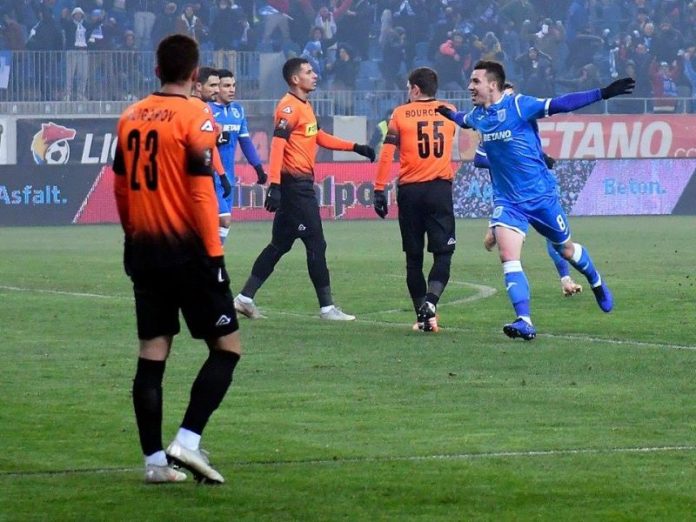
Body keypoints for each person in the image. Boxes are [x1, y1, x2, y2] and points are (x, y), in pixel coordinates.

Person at [113, 34, 241, 484]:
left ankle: (154, 463)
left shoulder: (129, 116)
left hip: (144, 249)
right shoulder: (195, 115)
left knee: (152, 352)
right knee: (227, 347)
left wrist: (133, 236)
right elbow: (201, 192)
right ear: (194, 74)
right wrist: (214, 253)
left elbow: (121, 188)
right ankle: (187, 441)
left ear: (156, 70)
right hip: (189, 252)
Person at [437, 60, 634, 340]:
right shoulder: (479, 115)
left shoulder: (519, 105)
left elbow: (561, 103)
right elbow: (463, 120)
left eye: (475, 81)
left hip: (541, 197)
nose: (470, 86)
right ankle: (524, 321)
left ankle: (597, 282)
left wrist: (602, 93)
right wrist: (447, 113)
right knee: (508, 257)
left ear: (493, 84)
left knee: (566, 250)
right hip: (509, 202)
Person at [233, 57, 375, 321]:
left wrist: (355, 147)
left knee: (279, 245)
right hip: (295, 187)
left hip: (297, 185)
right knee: (316, 243)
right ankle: (327, 308)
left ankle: (244, 298)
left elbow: (318, 136)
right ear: (295, 79)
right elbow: (278, 146)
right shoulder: (288, 108)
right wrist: (274, 185)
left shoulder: (305, 106)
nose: (315, 75)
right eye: (309, 72)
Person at [475, 82, 582, 298]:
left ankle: (566, 280)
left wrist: (542, 157)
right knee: (499, 246)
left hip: (536, 192)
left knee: (554, 237)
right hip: (509, 197)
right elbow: (479, 159)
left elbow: (529, 152)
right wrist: (506, 161)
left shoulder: (521, 124)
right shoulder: (491, 129)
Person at [372, 67, 458, 333]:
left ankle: (423, 318)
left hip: (410, 191)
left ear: (416, 89)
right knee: (444, 253)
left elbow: (387, 153)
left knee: (413, 258)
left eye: (409, 88)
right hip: (439, 189)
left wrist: (379, 188)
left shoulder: (400, 114)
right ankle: (431, 304)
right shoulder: (449, 110)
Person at [209, 68, 268, 244]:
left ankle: (212, 257)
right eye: (226, 86)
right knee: (224, 220)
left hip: (229, 177)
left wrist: (258, 168)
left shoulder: (238, 111)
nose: (232, 89)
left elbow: (246, 142)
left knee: (221, 226)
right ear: (216, 88)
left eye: (233, 85)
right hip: (211, 175)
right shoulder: (207, 110)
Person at [191, 66, 233, 243]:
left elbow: (209, 145)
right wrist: (221, 176)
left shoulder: (197, 107)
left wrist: (221, 176)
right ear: (198, 86)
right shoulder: (200, 109)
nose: (217, 90)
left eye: (218, 85)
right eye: (213, 85)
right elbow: (206, 146)